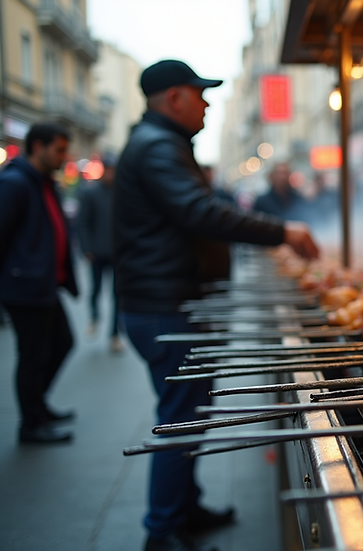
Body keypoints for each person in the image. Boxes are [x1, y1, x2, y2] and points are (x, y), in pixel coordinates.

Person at [114, 59, 319, 551]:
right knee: (181, 420)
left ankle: (185, 507)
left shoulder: (163, 145)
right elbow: (199, 212)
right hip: (166, 307)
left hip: (173, 301)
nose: (206, 103)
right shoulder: (156, 146)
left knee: (192, 413)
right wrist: (281, 232)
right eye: (199, 94)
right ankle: (161, 531)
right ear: (174, 99)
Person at [0, 122, 77, 444]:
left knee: (61, 344)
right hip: (24, 287)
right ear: (38, 147)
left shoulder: (44, 182)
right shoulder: (15, 183)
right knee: (33, 356)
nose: (64, 156)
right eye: (58, 149)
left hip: (44, 284)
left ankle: (38, 406)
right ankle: (30, 423)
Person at [76, 155, 123, 352]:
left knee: (117, 295)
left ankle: (114, 334)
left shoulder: (122, 193)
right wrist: (87, 248)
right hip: (96, 251)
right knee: (95, 289)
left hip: (117, 253)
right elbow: (83, 222)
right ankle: (94, 317)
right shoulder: (91, 192)